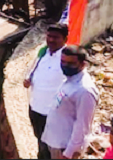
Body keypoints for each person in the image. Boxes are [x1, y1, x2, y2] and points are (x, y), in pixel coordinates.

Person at [41, 45, 100, 160]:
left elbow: (82, 126)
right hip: (55, 142)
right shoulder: (69, 79)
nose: (65, 66)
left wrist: (69, 153)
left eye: (71, 63)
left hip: (64, 148)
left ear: (83, 64)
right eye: (63, 62)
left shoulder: (85, 90)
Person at [24, 23, 68, 160]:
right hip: (35, 107)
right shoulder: (44, 52)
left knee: (52, 148)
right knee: (40, 141)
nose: (51, 40)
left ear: (65, 39)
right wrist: (28, 78)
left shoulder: (68, 59)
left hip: (52, 113)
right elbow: (34, 67)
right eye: (49, 36)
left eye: (56, 37)